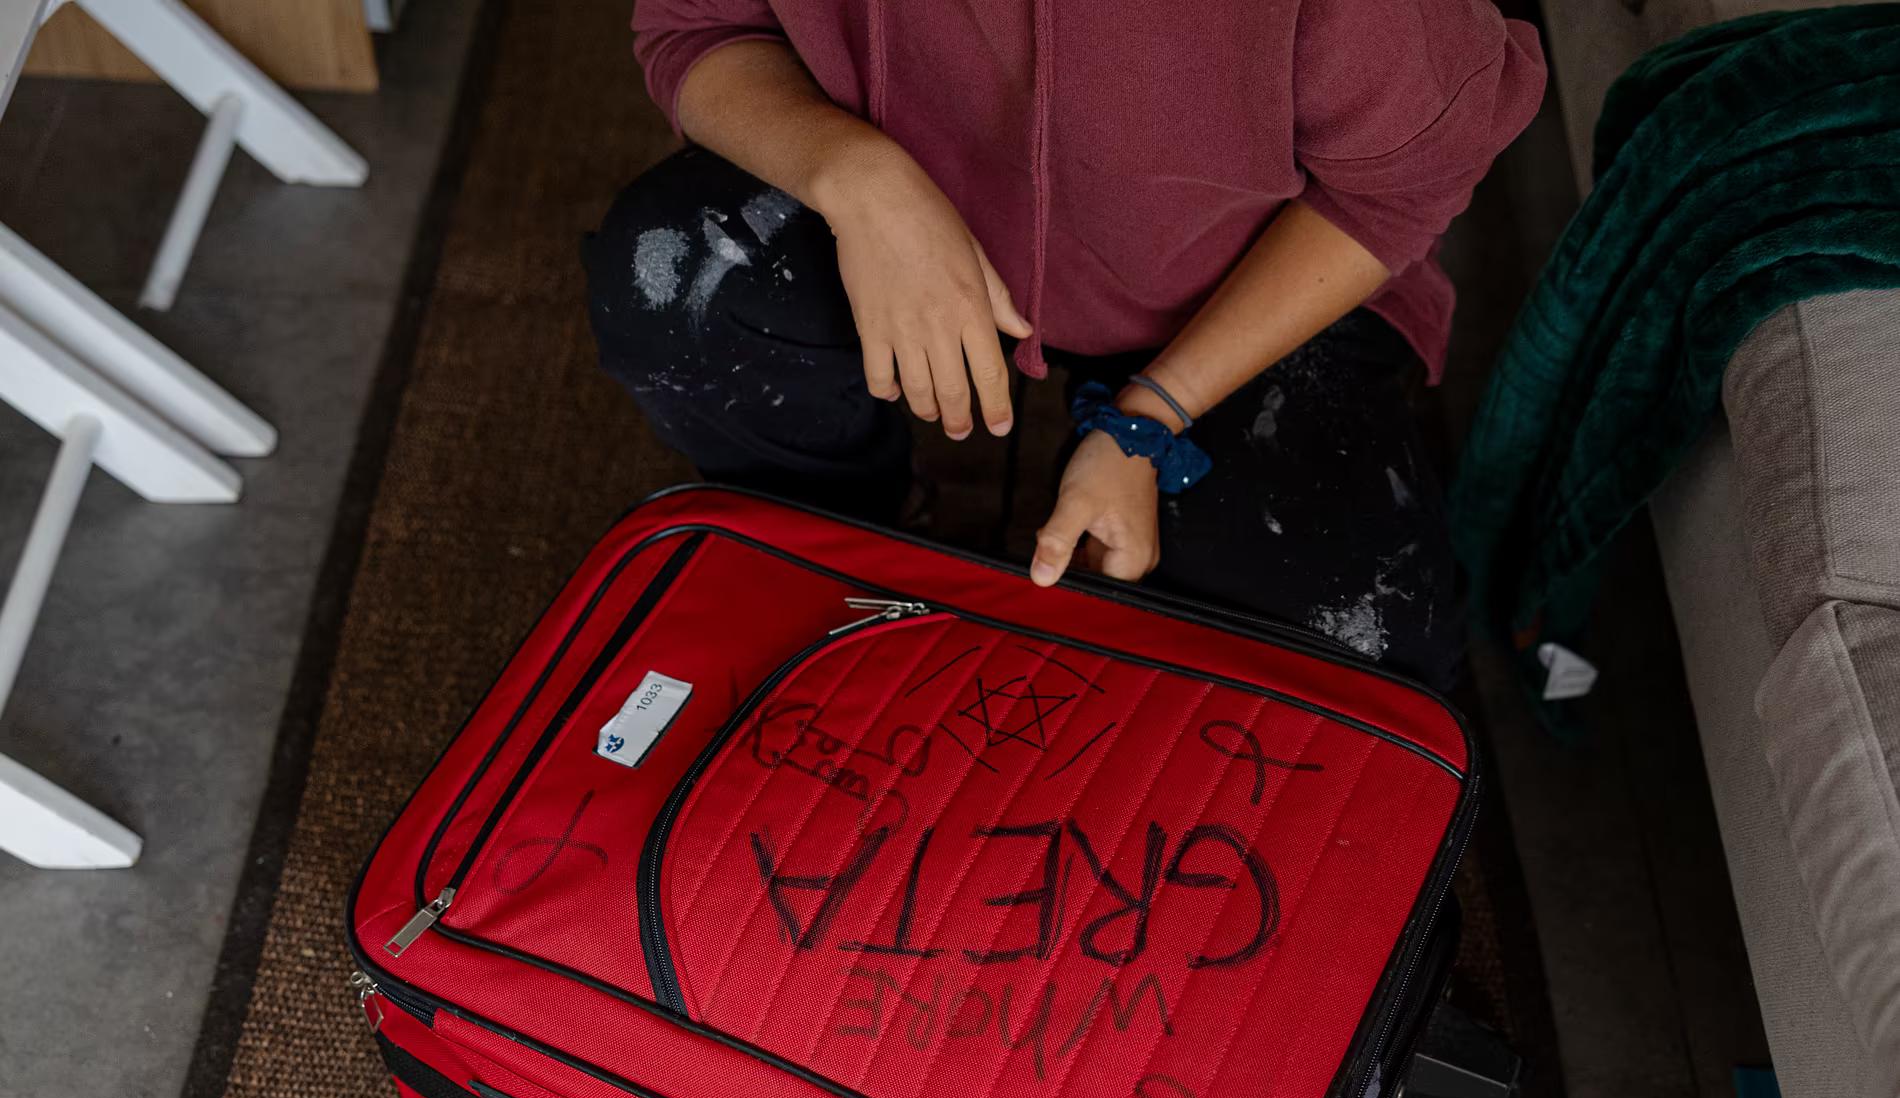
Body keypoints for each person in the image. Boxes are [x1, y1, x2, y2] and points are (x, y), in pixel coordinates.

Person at [584, 0, 1546, 693]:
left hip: (1237, 292)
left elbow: (1392, 192)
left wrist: (1153, 416)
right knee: (674, 280)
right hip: (904, 237)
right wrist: (858, 180)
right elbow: (698, 29)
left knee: (1366, 648)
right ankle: (853, 531)